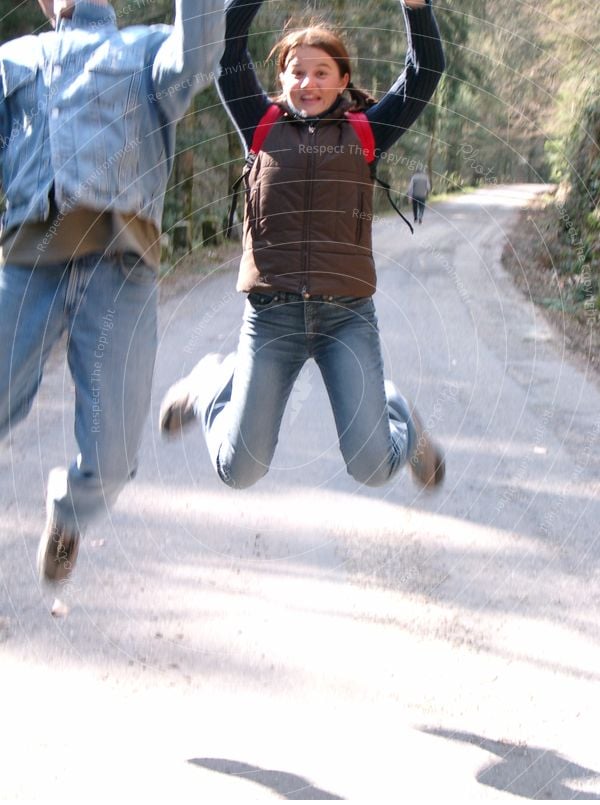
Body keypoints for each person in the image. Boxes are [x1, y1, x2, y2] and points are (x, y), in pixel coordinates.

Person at [160, 0, 446, 494]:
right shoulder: (260, 123)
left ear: (342, 79)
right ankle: (211, 382)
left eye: (321, 72)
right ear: (282, 79)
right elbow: (228, 51)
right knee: (239, 469)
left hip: (346, 318)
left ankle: (401, 419)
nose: (308, 83)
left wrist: (415, 7)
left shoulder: (366, 131)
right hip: (272, 317)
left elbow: (426, 71)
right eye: (297, 72)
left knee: (373, 467)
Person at [0, 0, 224, 598]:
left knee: (114, 454)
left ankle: (69, 513)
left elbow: (200, 57)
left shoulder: (151, 49)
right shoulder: (12, 60)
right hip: (27, 266)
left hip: (121, 271)